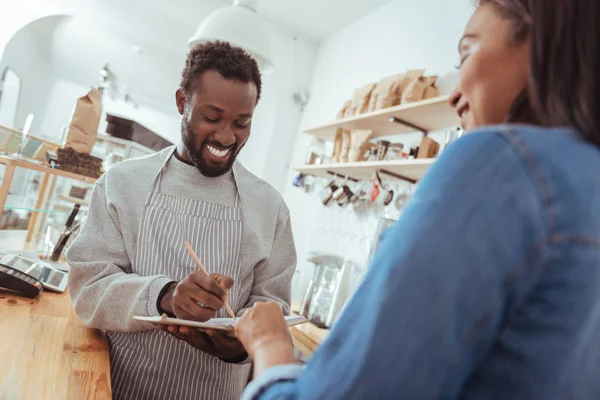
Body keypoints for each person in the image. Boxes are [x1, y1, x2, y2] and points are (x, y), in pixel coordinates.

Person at [234, 0, 600, 399]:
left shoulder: (498, 160)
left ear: (541, 41)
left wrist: (270, 346)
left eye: (467, 51)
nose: (454, 94)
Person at [67, 41, 297, 400]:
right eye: (212, 117)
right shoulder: (122, 183)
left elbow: (274, 307)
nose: (226, 136)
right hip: (120, 387)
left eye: (242, 123)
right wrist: (164, 295)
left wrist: (237, 347)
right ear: (181, 102)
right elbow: (87, 287)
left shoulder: (270, 208)